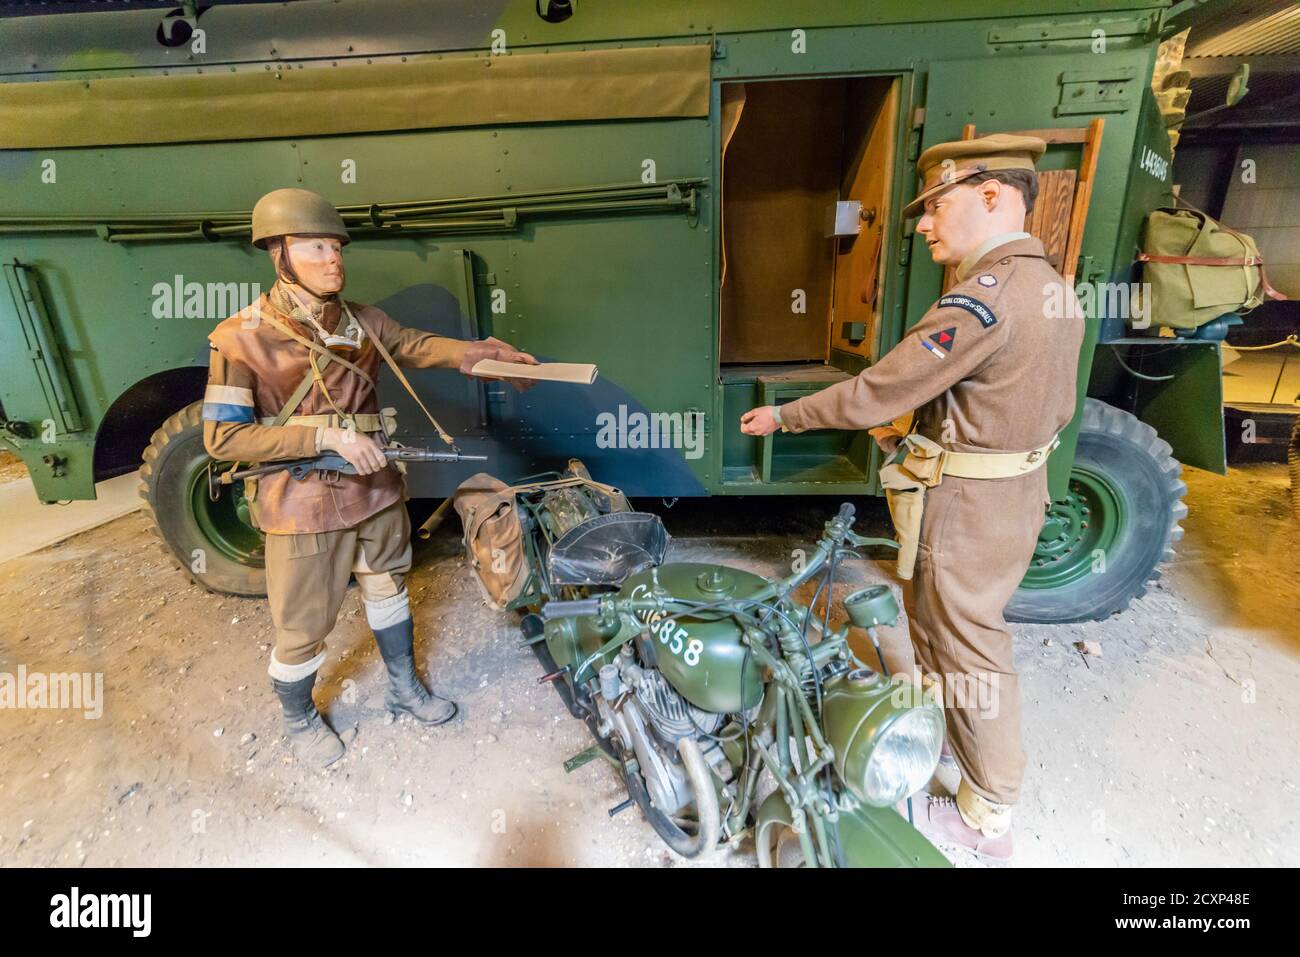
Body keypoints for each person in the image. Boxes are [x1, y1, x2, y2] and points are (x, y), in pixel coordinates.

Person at [740, 135, 1083, 858]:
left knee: (966, 646)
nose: (923, 224)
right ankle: (954, 756)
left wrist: (785, 414)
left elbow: (880, 388)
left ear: (992, 195)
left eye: (936, 206)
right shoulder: (1050, 284)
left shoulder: (983, 297)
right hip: (1014, 496)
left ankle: (984, 817)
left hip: (968, 510)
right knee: (952, 632)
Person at [203, 187, 537, 768]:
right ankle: (298, 717)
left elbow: (421, 346)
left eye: (336, 246)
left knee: (387, 588)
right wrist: (325, 437)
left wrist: (483, 356)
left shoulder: (362, 322)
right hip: (301, 502)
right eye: (315, 247)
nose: (333, 259)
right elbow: (224, 439)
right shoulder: (242, 338)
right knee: (304, 624)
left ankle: (405, 690)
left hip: (374, 489)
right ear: (279, 254)